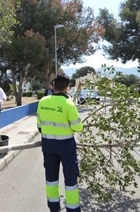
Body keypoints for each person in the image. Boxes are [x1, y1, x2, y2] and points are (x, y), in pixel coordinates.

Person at [37, 75, 83, 212]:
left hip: (48, 145)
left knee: (51, 178)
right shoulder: (68, 104)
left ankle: (53, 207)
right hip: (66, 146)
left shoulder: (43, 101)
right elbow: (78, 127)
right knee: (70, 180)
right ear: (66, 88)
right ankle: (73, 208)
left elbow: (39, 126)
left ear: (53, 86)